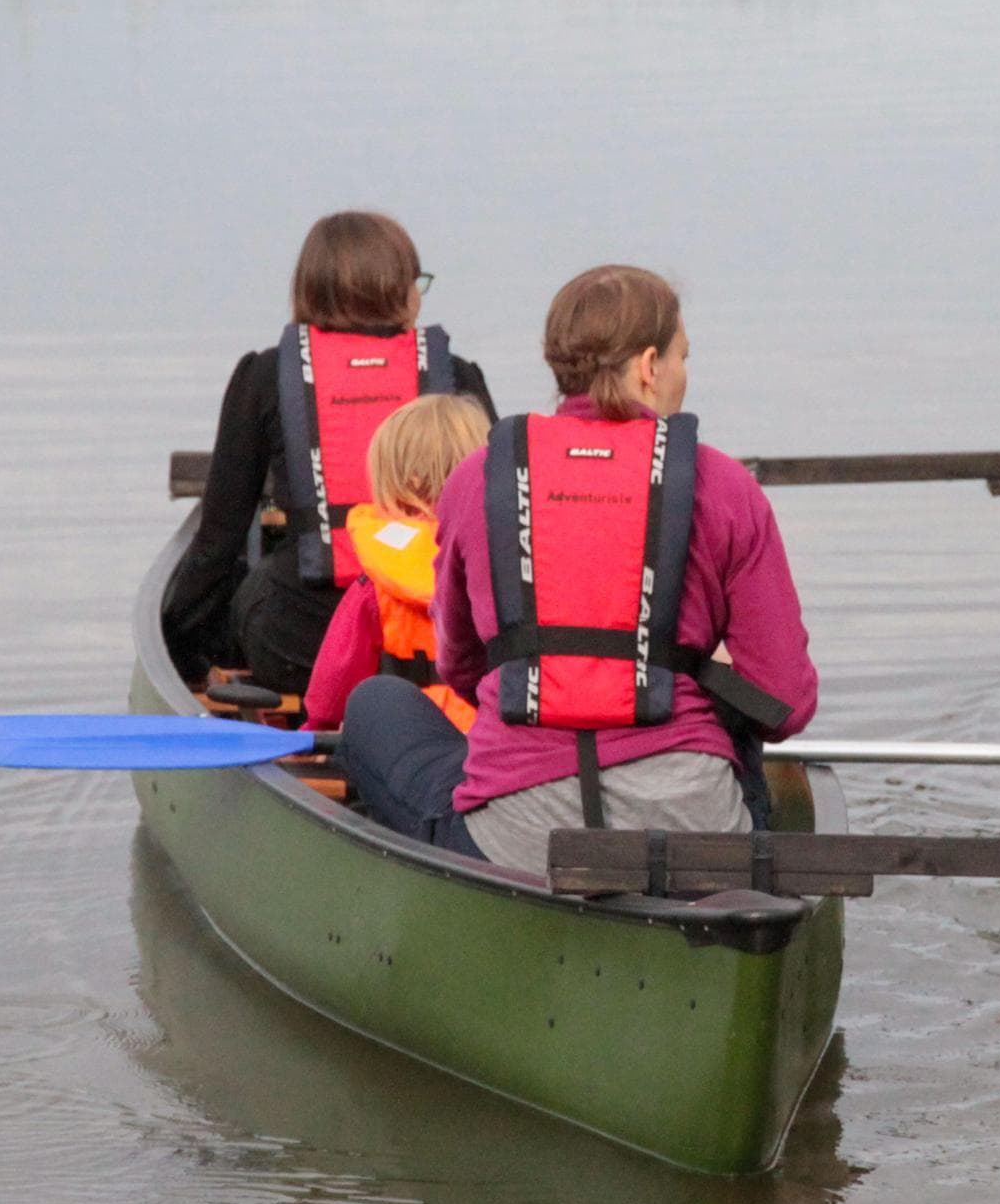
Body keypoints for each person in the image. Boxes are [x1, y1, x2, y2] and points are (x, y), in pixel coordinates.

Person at [337, 265, 820, 875]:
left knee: (375, 702)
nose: (681, 376)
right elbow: (787, 701)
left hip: (516, 841)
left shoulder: (476, 481)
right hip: (690, 833)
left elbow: (460, 667)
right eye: (681, 358)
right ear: (649, 365)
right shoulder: (725, 485)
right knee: (734, 718)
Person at [162, 212, 497, 695]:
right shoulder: (459, 378)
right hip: (434, 648)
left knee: (244, 583)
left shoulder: (265, 376)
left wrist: (178, 650)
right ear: (401, 291)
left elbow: (219, 539)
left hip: (301, 645)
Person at [300, 394, 491, 732]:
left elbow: (332, 687)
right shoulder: (505, 563)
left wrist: (317, 726)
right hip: (490, 734)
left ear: (405, 482)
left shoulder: (374, 587)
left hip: (408, 735)